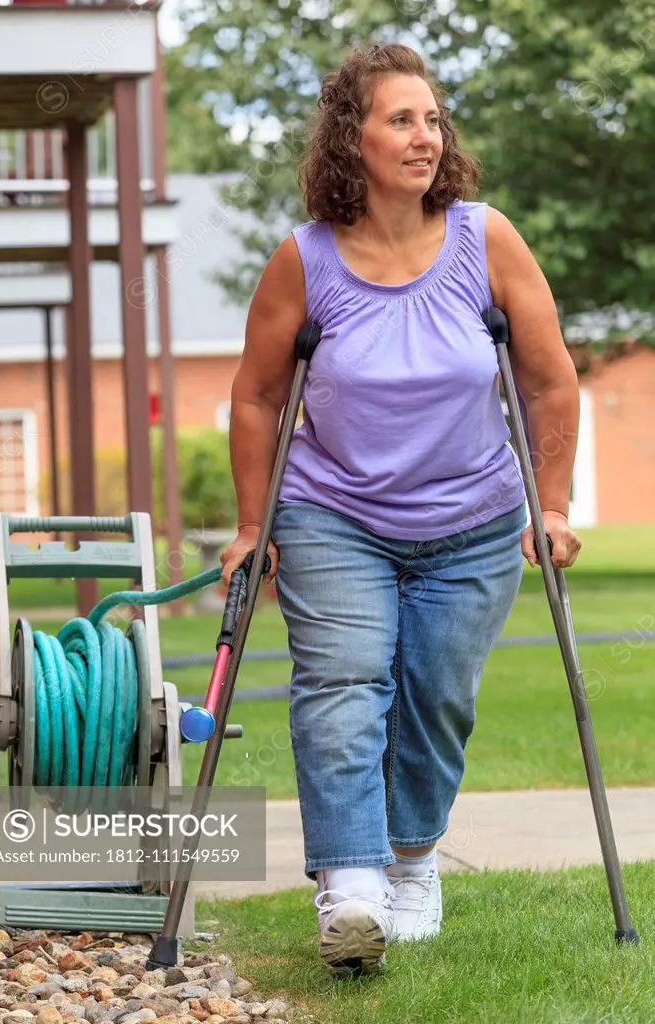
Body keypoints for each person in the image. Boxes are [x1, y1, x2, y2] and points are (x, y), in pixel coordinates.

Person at [220, 41, 582, 975]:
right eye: (400, 119)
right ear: (353, 138)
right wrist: (255, 525)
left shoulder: (484, 238)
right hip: (333, 511)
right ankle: (350, 886)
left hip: (474, 517)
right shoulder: (304, 261)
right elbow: (259, 396)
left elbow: (547, 382)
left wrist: (555, 501)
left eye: (432, 119)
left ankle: (413, 860)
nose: (425, 136)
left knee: (434, 699)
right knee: (342, 687)